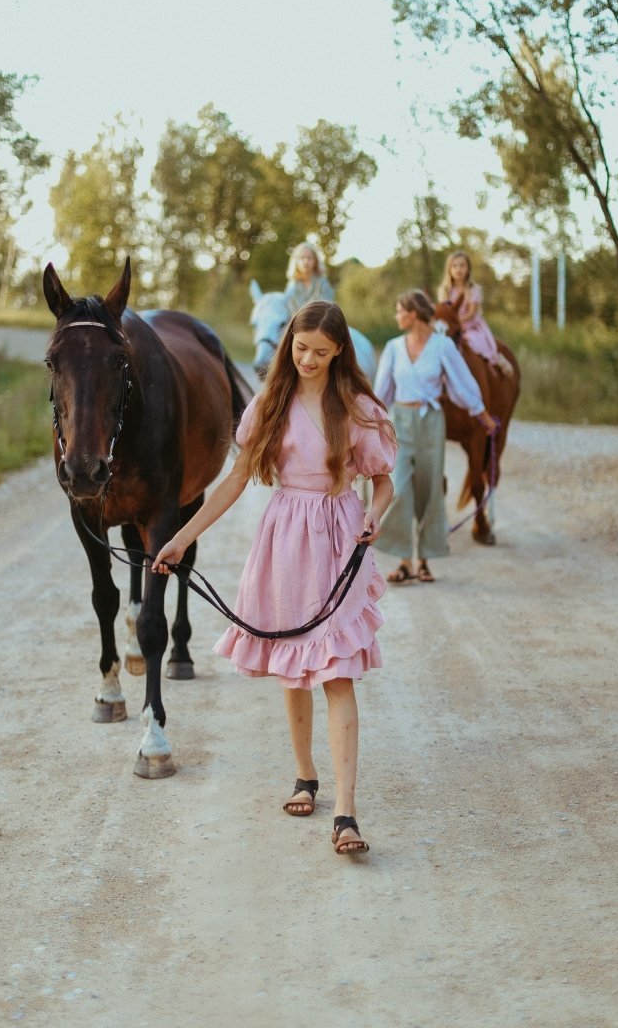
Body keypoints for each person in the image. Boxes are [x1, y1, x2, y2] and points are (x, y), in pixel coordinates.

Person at [152, 301, 396, 856]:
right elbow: (237, 479)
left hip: (337, 537)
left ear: (339, 354)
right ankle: (305, 776)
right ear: (289, 342)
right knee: (293, 665)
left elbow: (381, 481)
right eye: (301, 347)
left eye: (321, 352)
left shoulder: (356, 408)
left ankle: (345, 811)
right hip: (285, 538)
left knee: (338, 672)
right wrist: (181, 538)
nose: (308, 359)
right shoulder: (270, 404)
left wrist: (376, 513)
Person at [374, 289, 496, 584]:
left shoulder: (442, 346)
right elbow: (381, 393)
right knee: (400, 488)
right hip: (401, 421)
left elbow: (462, 382)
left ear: (413, 313)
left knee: (429, 491)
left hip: (431, 422)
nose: (396, 316)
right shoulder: (393, 347)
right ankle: (404, 560)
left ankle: (424, 561)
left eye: (399, 310)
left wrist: (482, 415)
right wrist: (369, 423)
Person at [437, 250, 514, 378]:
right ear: (449, 269)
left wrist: (456, 321)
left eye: (462, 266)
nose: (458, 269)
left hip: (469, 325)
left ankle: (496, 359)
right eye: (454, 266)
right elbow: (443, 312)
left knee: (473, 342)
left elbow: (472, 313)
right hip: (450, 326)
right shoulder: (445, 290)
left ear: (468, 269)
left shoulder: (473, 289)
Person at [283, 241, 335, 315]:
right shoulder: (292, 285)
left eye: (309, 258)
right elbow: (287, 310)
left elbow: (327, 309)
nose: (306, 261)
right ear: (296, 261)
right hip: (296, 324)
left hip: (320, 322)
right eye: (302, 258)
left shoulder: (322, 282)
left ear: (316, 261)